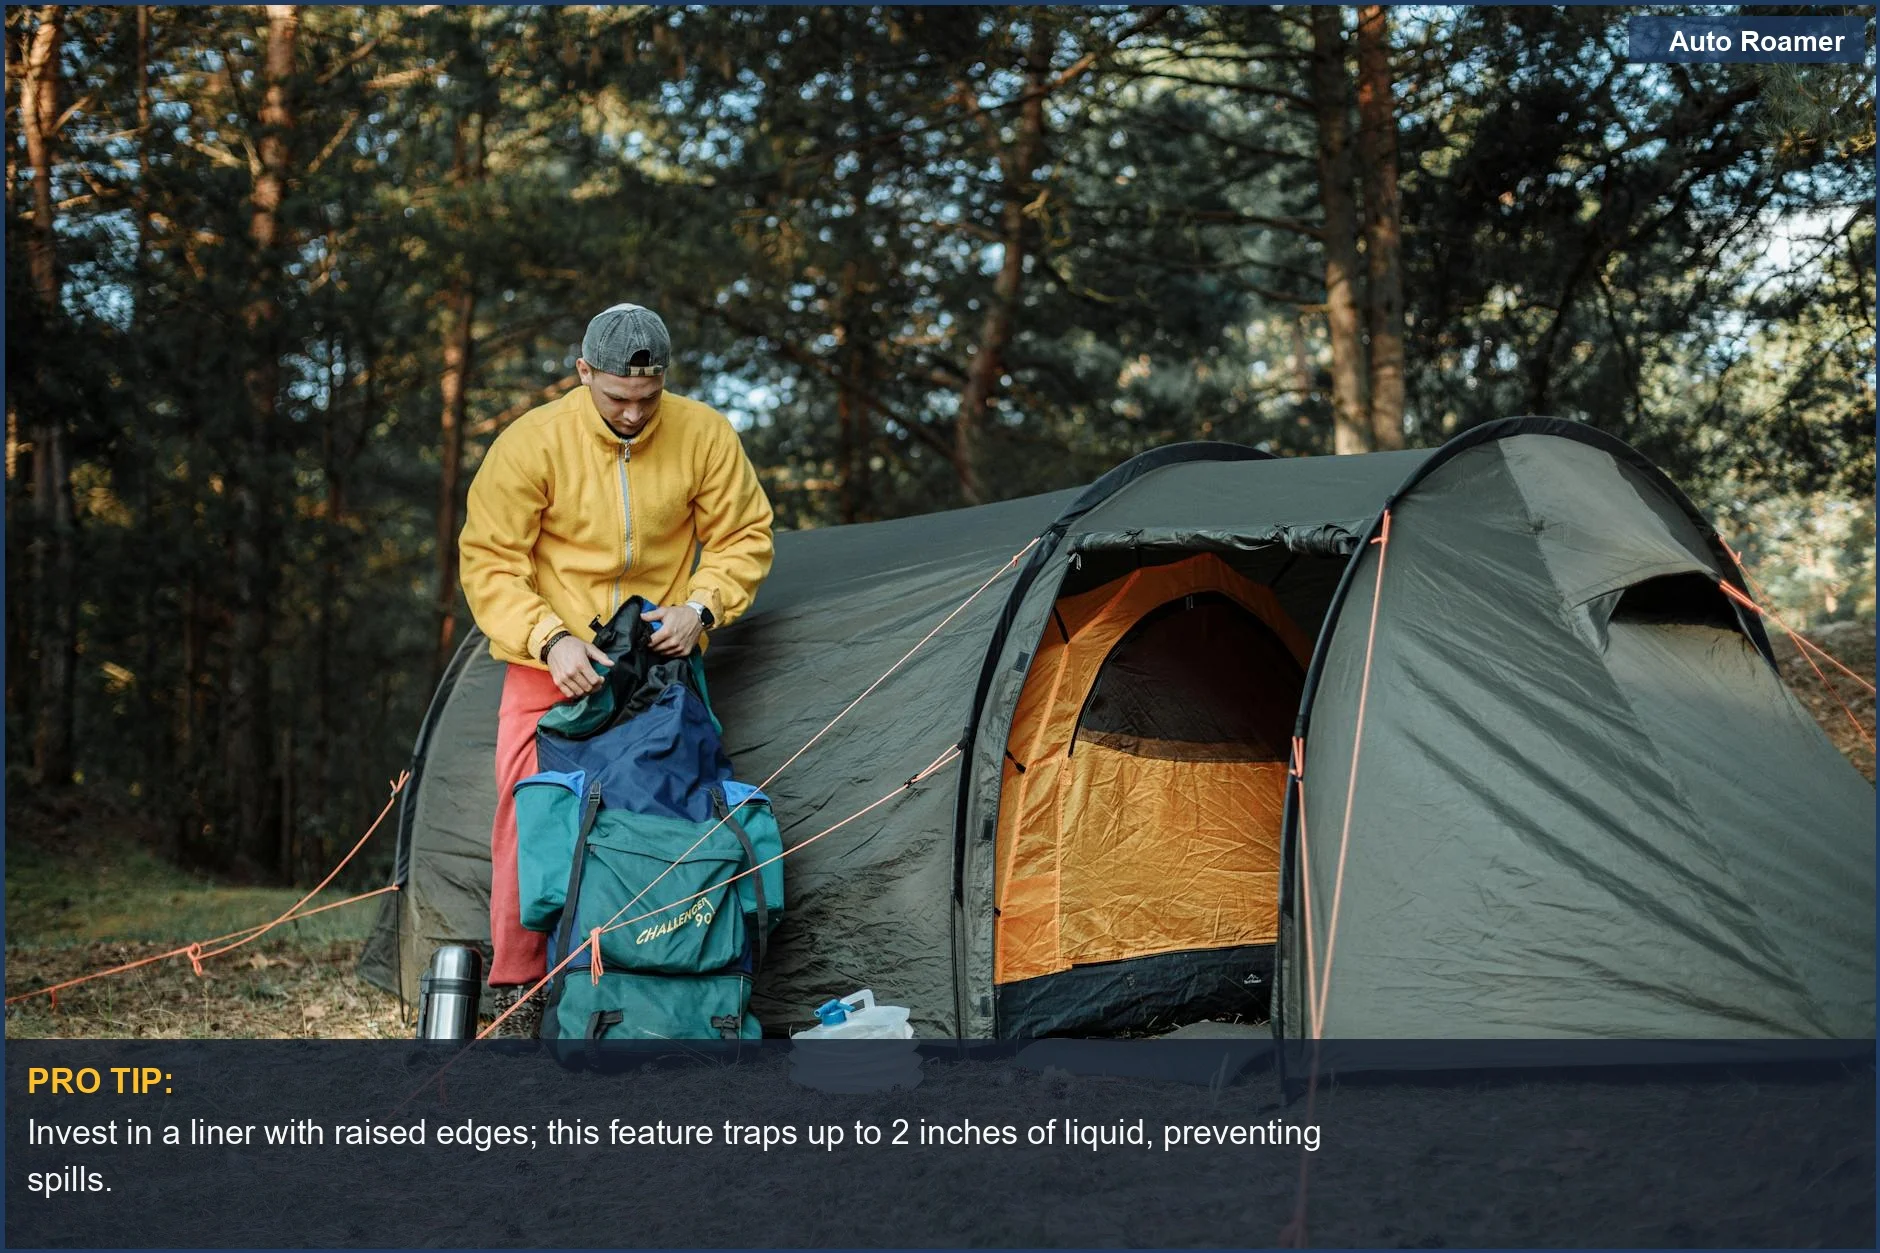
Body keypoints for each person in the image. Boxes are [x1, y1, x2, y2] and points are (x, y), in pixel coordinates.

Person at [459, 302, 774, 1034]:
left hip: (657, 665)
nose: (632, 414)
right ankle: (520, 986)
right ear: (582, 374)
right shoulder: (531, 443)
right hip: (553, 662)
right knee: (531, 813)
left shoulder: (703, 435)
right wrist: (547, 637)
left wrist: (702, 605)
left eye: (647, 397)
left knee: (658, 817)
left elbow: (744, 534)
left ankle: (645, 982)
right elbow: (490, 560)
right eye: (615, 398)